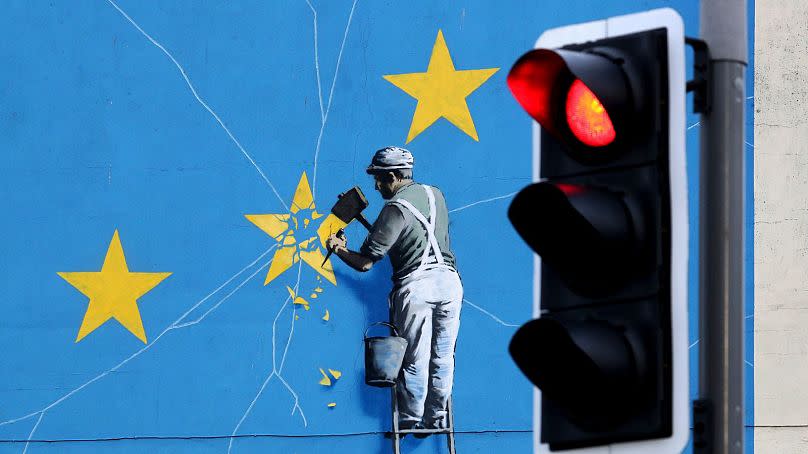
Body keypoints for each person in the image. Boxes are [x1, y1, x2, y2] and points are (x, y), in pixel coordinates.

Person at [326, 146, 463, 432]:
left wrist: (339, 249)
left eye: (378, 179)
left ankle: (411, 418)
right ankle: (437, 416)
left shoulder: (394, 209)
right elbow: (416, 236)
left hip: (417, 286)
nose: (376, 186)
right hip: (450, 283)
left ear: (391, 176)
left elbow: (365, 263)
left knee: (414, 357)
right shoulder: (435, 194)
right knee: (443, 356)